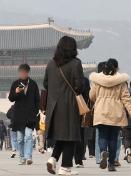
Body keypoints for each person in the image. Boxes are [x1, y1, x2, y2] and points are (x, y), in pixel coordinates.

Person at [44, 36, 84, 175]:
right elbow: (79, 86)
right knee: (71, 136)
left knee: (62, 136)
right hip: (69, 105)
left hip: (53, 106)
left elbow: (45, 84)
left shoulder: (50, 64)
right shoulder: (75, 63)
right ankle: (65, 167)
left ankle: (53, 158)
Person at [89, 58, 131, 172]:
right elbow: (126, 99)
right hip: (116, 113)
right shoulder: (121, 81)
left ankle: (102, 152)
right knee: (113, 139)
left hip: (101, 112)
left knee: (102, 136)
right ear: (116, 68)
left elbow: (91, 96)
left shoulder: (97, 80)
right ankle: (111, 163)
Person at [9, 63, 40, 165]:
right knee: (20, 138)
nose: (22, 74)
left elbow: (37, 100)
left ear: (27, 72)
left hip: (30, 115)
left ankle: (28, 157)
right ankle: (22, 157)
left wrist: (35, 111)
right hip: (18, 115)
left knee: (28, 136)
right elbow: (11, 98)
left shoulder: (33, 84)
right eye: (20, 72)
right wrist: (16, 92)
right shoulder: (15, 83)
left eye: (24, 72)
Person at [74, 77, 91, 168]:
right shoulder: (84, 80)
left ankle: (68, 159)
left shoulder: (65, 77)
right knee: (80, 134)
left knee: (68, 135)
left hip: (66, 109)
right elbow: (88, 96)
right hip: (80, 109)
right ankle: (79, 160)